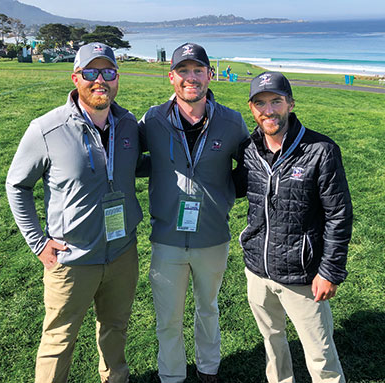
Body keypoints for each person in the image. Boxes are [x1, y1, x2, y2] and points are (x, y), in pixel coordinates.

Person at [6, 42, 143, 383]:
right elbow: (17, 185)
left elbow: (137, 166)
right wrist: (38, 243)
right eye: (91, 72)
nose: (101, 80)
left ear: (117, 77)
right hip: (71, 259)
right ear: (76, 77)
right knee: (58, 339)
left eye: (108, 72)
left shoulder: (128, 126)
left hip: (122, 252)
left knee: (115, 328)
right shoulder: (46, 129)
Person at [138, 42, 250, 383]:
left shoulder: (231, 121)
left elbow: (249, 169)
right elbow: (130, 157)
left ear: (209, 75)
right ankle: (171, 376)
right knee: (168, 318)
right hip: (167, 238)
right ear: (171, 77)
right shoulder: (154, 119)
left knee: (208, 309)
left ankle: (208, 370)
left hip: (213, 237)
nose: (191, 78)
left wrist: (225, 195)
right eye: (183, 71)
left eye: (198, 70)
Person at [235, 71, 353, 383]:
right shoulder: (248, 149)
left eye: (276, 101)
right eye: (260, 103)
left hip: (302, 275)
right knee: (273, 344)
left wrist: (330, 271)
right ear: (251, 108)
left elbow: (339, 215)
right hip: (257, 270)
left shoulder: (321, 150)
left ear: (290, 103)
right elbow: (229, 186)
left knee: (320, 354)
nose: (268, 110)